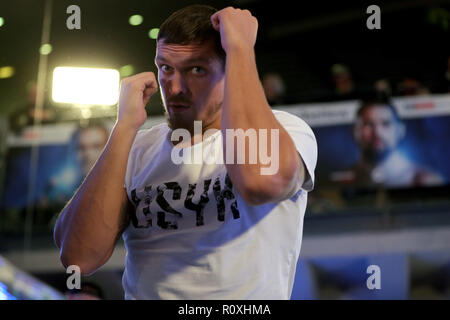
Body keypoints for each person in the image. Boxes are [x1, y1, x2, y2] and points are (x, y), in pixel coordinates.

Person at [54, 5, 317, 300]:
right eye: (166, 68)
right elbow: (78, 256)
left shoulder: (285, 130)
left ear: (229, 70)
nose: (175, 88)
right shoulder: (137, 147)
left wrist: (241, 48)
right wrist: (124, 127)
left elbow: (260, 183)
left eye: (197, 70)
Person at [336, 98, 444, 188]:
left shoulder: (425, 179)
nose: (377, 132)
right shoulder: (341, 180)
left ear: (401, 130)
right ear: (355, 131)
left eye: (386, 123)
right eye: (368, 124)